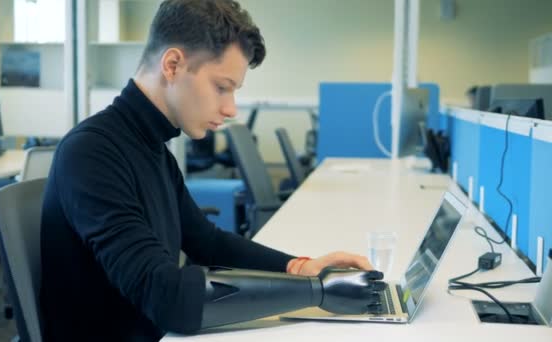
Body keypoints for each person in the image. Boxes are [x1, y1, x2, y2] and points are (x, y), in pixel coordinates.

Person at [40, 1, 380, 341]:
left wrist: (301, 269)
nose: (231, 108)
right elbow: (168, 298)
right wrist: (318, 293)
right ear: (172, 65)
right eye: (222, 87)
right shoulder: (92, 153)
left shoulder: (151, 148)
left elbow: (208, 243)